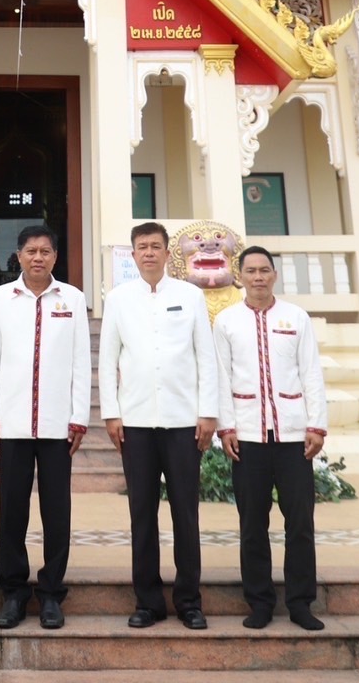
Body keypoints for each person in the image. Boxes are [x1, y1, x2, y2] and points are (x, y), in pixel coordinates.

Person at [98, 221, 218, 630]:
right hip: (136, 423)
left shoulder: (190, 295)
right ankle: (148, 602)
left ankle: (189, 601)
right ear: (133, 255)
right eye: (141, 247)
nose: (148, 253)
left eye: (155, 246)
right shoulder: (118, 299)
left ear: (168, 253)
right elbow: (107, 361)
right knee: (142, 515)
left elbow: (206, 357)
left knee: (186, 513)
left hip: (184, 422)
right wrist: (111, 414)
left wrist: (208, 412)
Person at [0, 223, 91, 631]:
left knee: (57, 513)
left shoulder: (72, 299)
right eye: (31, 251)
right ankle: (12, 593)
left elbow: (81, 362)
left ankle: (51, 594)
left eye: (45, 251)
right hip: (12, 422)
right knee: (12, 511)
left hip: (59, 425)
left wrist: (80, 417)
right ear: (19, 256)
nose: (38, 257)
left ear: (55, 256)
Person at [213, 244, 328, 632]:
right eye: (251, 271)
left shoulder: (295, 317)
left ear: (274, 275)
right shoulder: (227, 322)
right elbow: (222, 377)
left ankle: (300, 603)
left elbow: (311, 373)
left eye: (264, 270)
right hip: (247, 437)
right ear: (239, 277)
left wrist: (316, 425)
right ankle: (260, 602)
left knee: (300, 523)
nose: (258, 277)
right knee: (252, 525)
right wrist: (227, 428)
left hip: (294, 437)